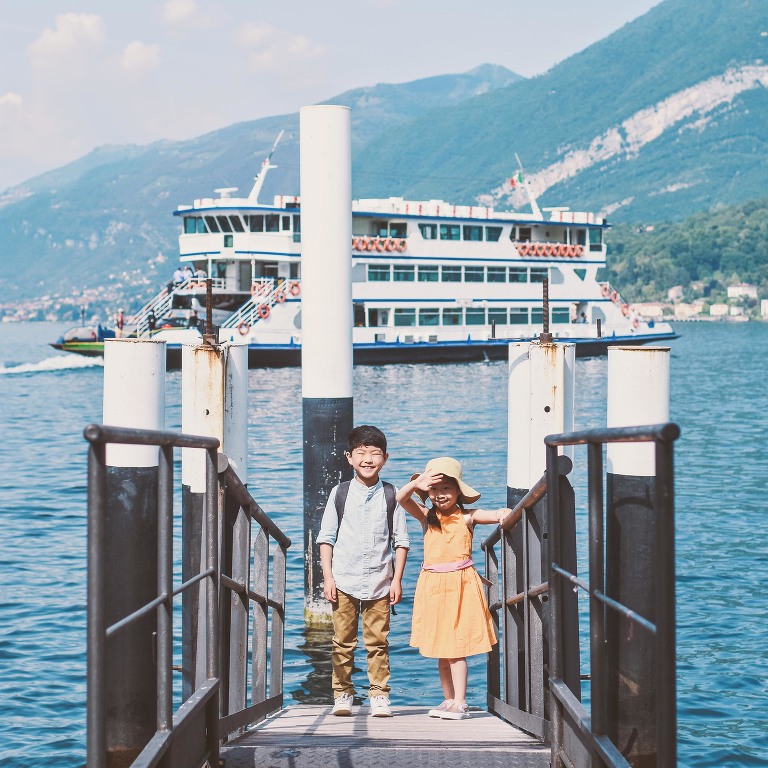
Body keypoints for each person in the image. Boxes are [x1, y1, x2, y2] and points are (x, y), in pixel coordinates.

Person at [396, 457, 509, 720]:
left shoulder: (468, 517)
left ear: (458, 490)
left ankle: (461, 701)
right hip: (433, 586)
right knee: (441, 648)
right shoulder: (427, 518)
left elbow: (490, 515)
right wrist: (416, 484)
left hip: (460, 585)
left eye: (446, 488)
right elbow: (401, 500)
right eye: (433, 489)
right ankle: (447, 699)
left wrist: (502, 513)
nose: (439, 494)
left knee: (456, 648)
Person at [317, 425, 410, 718]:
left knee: (378, 643)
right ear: (349, 457)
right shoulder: (340, 492)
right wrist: (328, 577)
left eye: (374, 454)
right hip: (344, 579)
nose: (367, 459)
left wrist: (397, 580)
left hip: (380, 581)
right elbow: (326, 537)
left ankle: (379, 695)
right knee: (342, 642)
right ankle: (342, 694)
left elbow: (401, 541)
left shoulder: (393, 494)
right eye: (361, 453)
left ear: (385, 458)